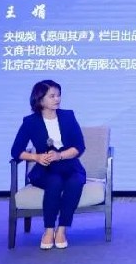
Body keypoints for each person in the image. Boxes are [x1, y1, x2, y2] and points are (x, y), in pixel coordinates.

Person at [9, 80, 87, 250]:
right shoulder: (30, 122)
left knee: (75, 182)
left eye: (58, 95)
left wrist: (60, 155)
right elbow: (16, 151)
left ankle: (62, 230)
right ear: (40, 99)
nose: (57, 99)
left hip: (69, 165)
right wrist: (36, 157)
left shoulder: (68, 116)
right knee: (55, 181)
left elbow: (79, 146)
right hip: (45, 168)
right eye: (52, 96)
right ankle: (49, 229)